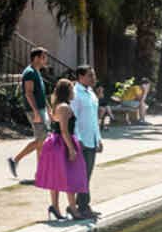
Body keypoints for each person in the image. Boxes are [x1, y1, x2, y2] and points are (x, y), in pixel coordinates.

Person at [34, 78, 88, 221]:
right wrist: (71, 149)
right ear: (68, 91)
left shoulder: (59, 105)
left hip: (58, 143)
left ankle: (55, 207)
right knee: (69, 176)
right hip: (61, 143)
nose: (74, 92)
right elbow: (64, 130)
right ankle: (73, 210)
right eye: (72, 89)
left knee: (57, 176)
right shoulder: (64, 107)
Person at [8, 48, 49, 178]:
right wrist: (36, 112)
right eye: (43, 57)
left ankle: (40, 172)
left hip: (41, 109)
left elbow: (41, 94)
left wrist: (50, 109)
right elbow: (28, 93)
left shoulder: (36, 71)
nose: (45, 60)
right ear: (36, 58)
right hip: (34, 110)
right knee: (42, 139)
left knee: (41, 140)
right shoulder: (29, 72)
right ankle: (15, 160)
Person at [71, 66, 103, 220]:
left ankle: (82, 204)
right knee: (83, 174)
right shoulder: (75, 94)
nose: (93, 78)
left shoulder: (91, 94)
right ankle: (82, 206)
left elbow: (94, 119)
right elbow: (73, 118)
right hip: (82, 140)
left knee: (87, 173)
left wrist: (99, 138)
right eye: (90, 75)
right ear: (80, 76)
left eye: (94, 75)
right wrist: (78, 139)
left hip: (92, 139)